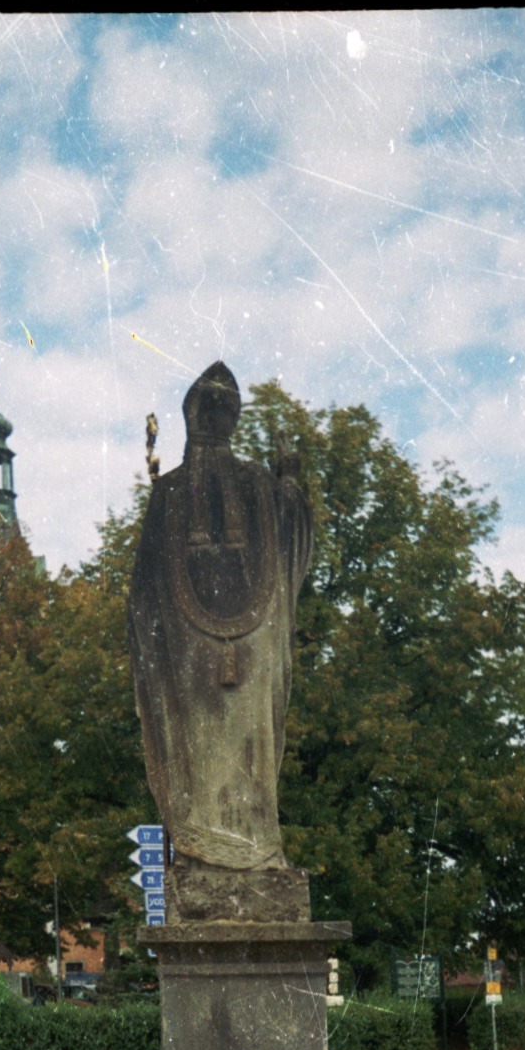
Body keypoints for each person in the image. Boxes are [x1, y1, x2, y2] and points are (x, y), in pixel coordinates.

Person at [127, 360, 313, 874]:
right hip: (248, 652)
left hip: (190, 654)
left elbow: (142, 594)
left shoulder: (169, 491)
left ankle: (206, 853)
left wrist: (155, 653)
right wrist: (291, 483)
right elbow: (292, 554)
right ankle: (252, 853)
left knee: (204, 748)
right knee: (246, 747)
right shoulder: (260, 483)